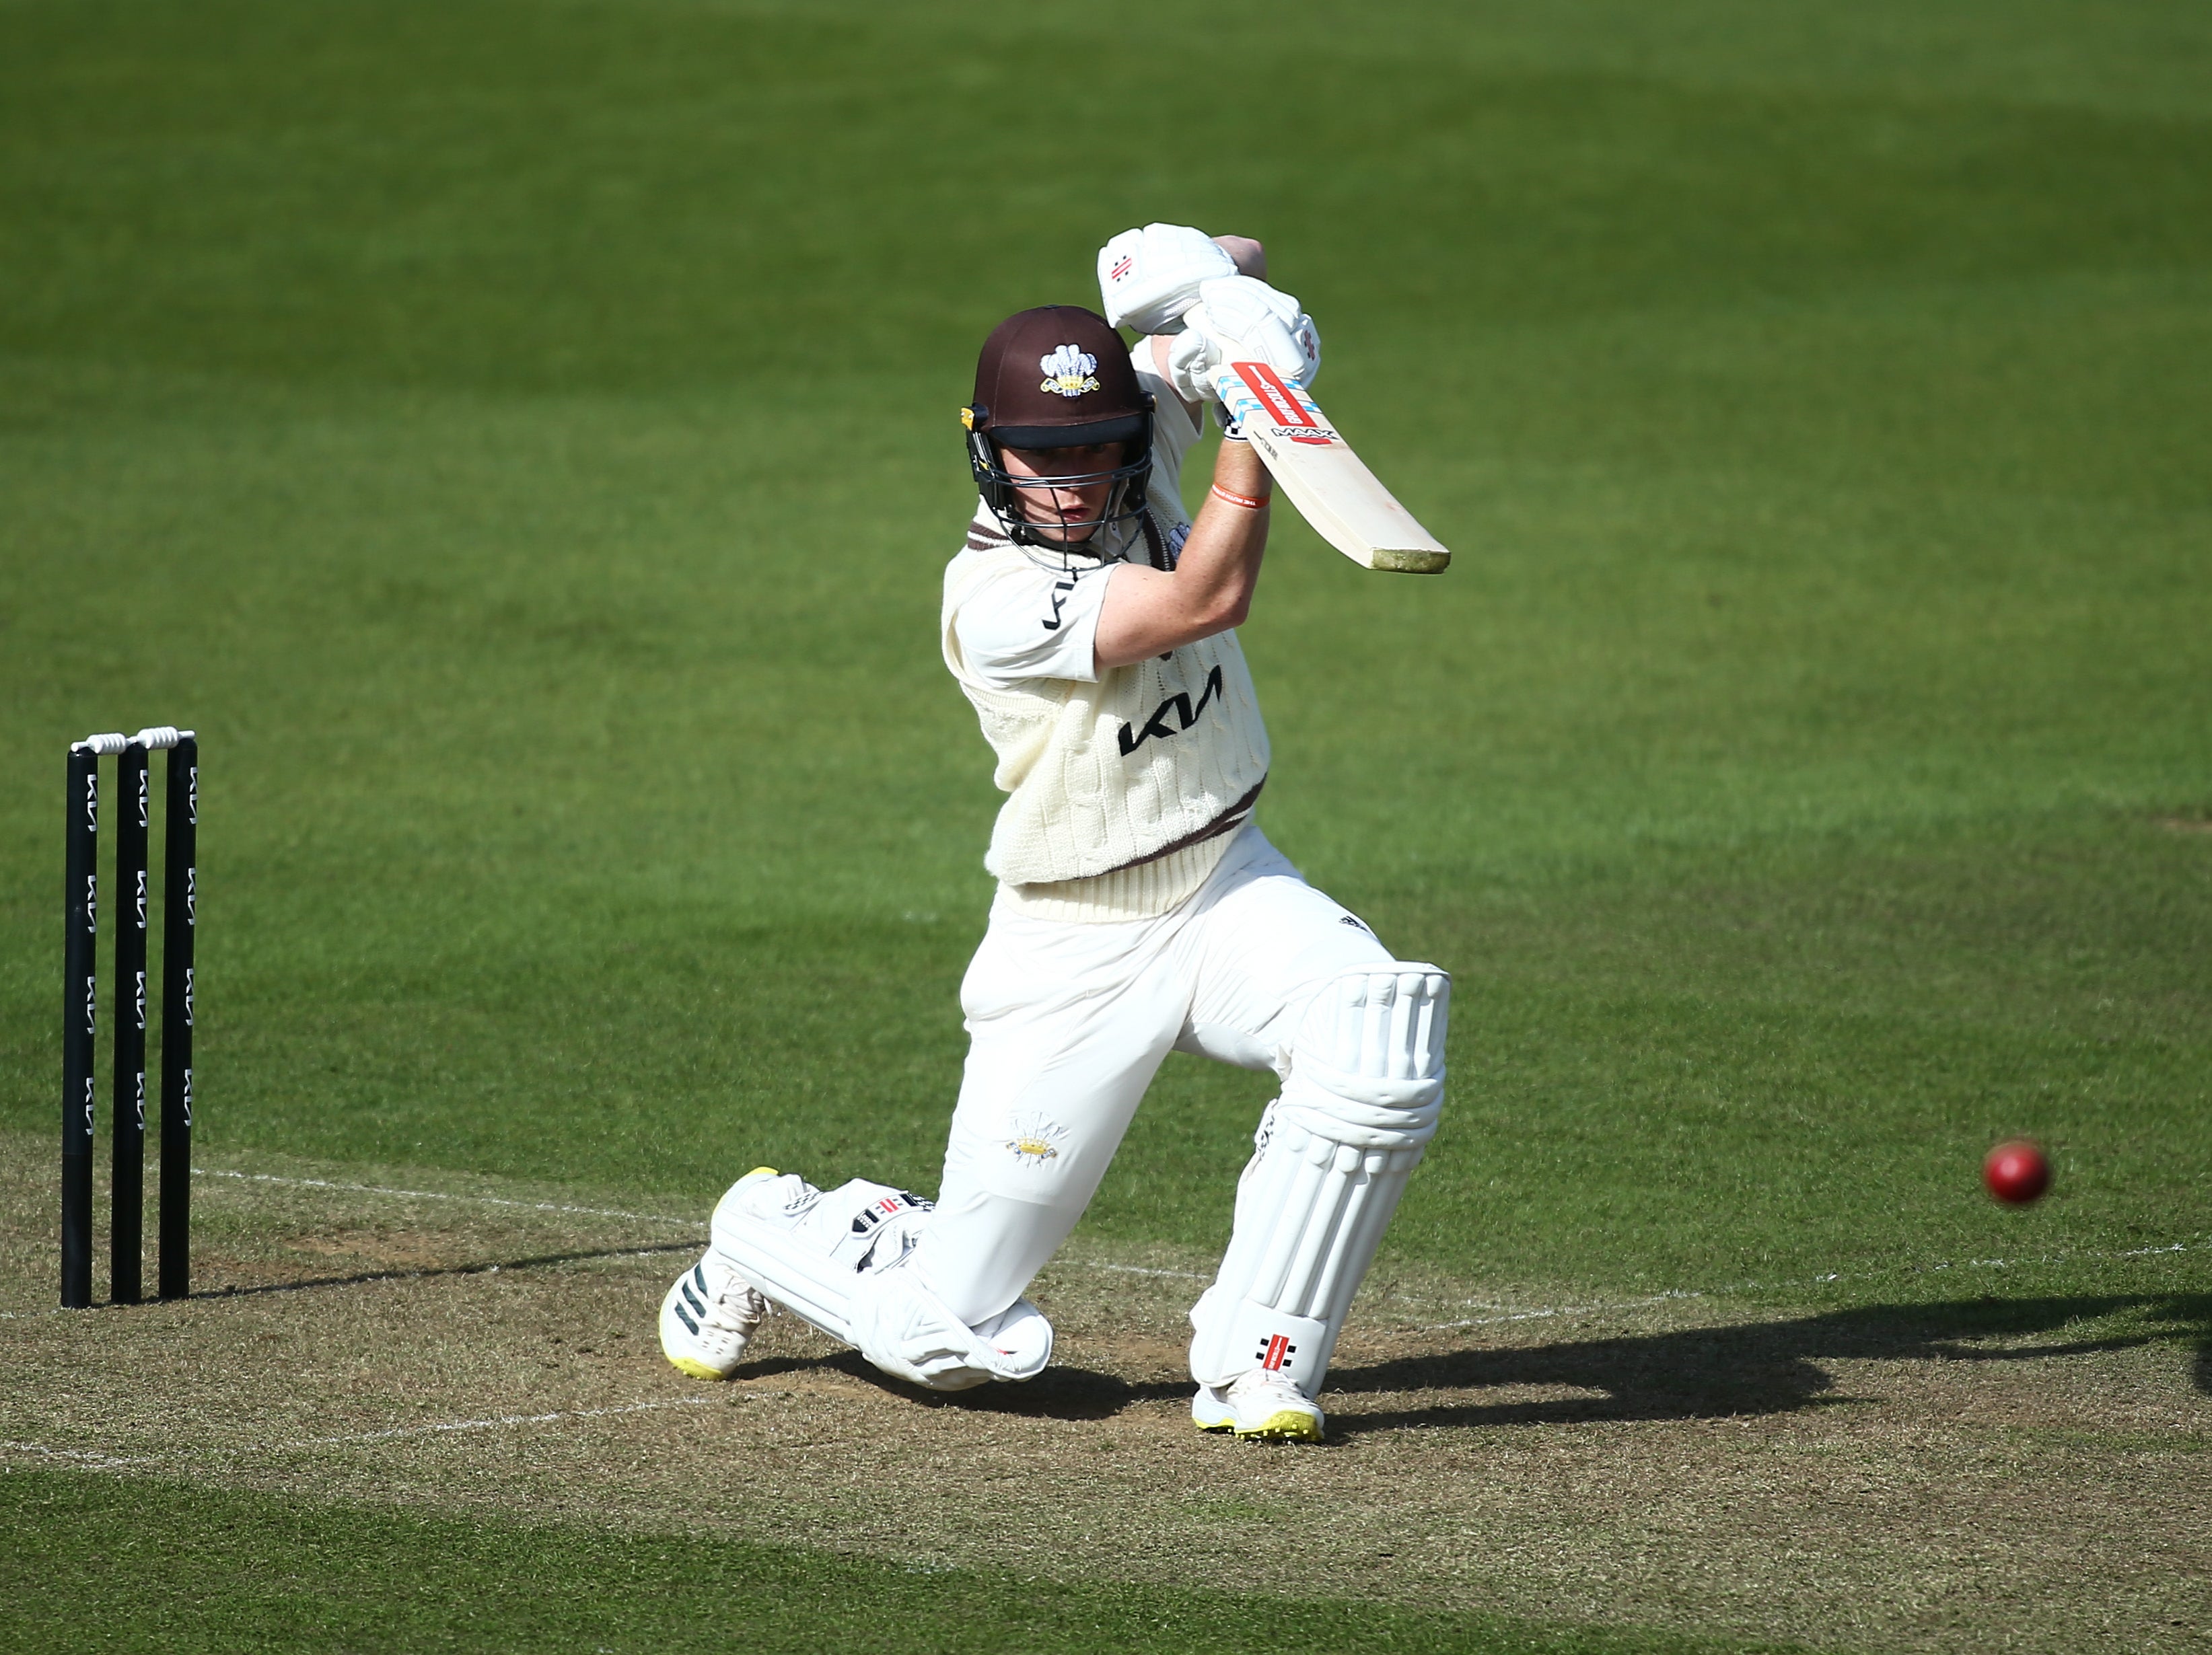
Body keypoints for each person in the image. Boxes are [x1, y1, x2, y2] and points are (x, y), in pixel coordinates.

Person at [656, 224, 1449, 1442]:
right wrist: (1260, 416)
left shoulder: (1141, 456)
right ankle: (776, 1229)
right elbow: (1204, 600)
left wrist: (1239, 315)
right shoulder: (997, 599)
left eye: (1097, 450)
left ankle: (1259, 1362)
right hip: (1074, 944)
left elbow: (1189, 296)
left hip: (1226, 880)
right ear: (990, 456)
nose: (1074, 483)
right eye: (1043, 460)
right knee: (954, 1336)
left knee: (1379, 1045)